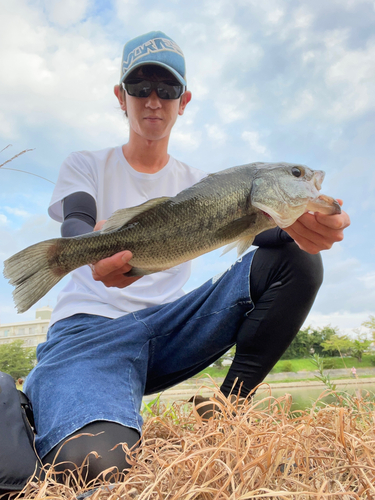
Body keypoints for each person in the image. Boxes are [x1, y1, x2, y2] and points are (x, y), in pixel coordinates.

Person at [23, 31, 350, 483]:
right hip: (89, 333)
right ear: (121, 97)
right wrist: (84, 252)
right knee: (93, 465)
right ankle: (65, 390)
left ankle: (226, 409)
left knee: (299, 260)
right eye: (140, 88)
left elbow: (271, 243)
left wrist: (305, 230)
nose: (154, 100)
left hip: (170, 328)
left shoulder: (204, 182)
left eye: (168, 89)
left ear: (184, 100)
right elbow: (77, 221)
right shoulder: (86, 163)